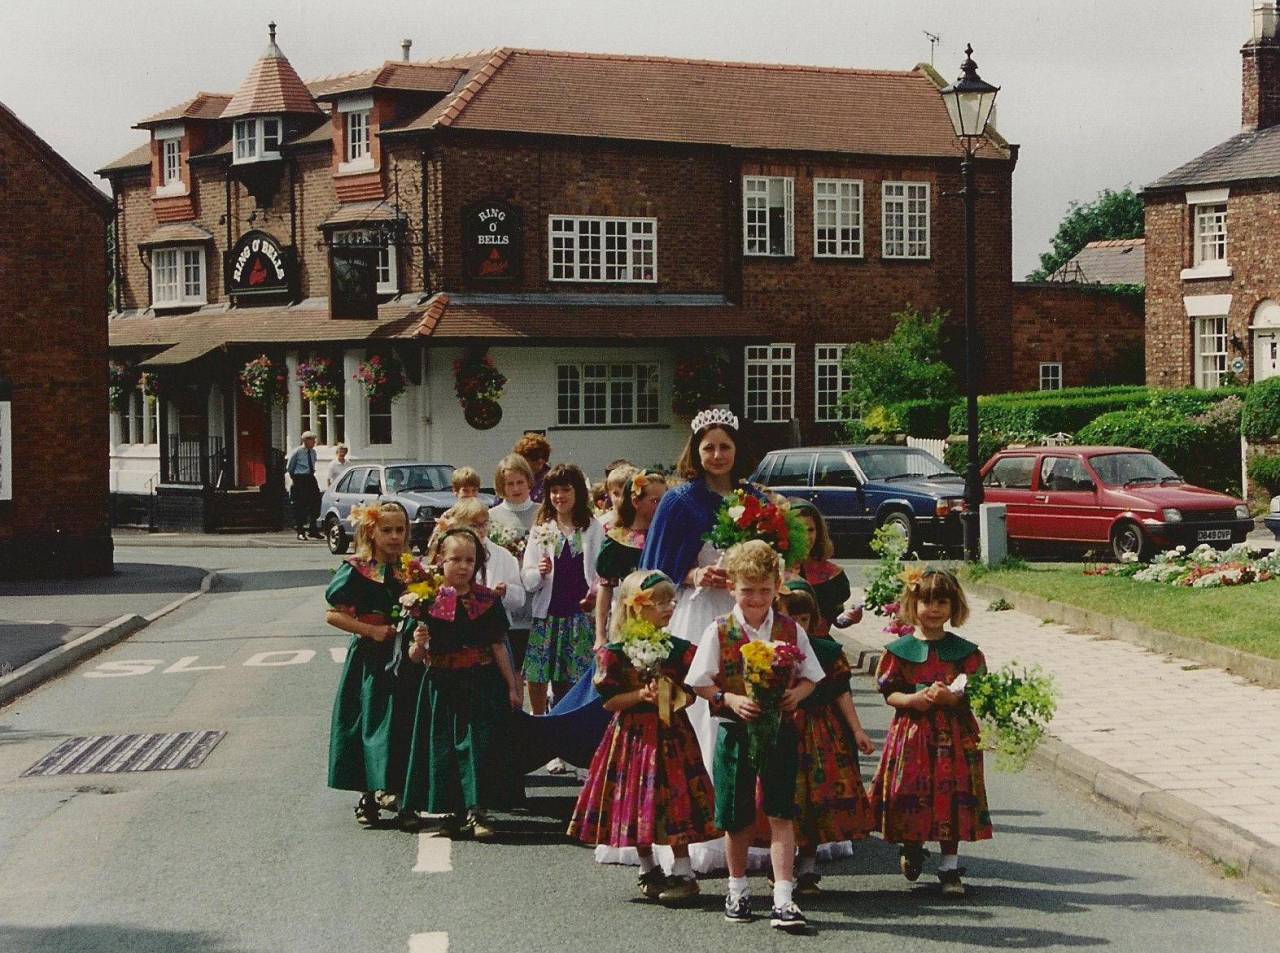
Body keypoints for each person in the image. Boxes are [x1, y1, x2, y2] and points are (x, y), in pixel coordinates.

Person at [687, 540, 827, 931]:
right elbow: (699, 682)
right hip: (735, 730)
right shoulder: (720, 630)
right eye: (747, 590)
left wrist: (796, 694)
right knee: (736, 814)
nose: (756, 598)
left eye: (765, 590)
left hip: (779, 731)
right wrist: (728, 697)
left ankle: (784, 896)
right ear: (732, 587)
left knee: (781, 811)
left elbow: (812, 677)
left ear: (777, 587)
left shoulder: (789, 628)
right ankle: (738, 888)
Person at [568, 571, 717, 904]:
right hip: (633, 737)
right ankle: (647, 867)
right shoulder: (616, 653)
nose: (669, 607)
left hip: (672, 734)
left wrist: (678, 696)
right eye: (659, 601)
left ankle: (684, 871)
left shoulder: (679, 649)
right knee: (637, 799)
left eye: (670, 600)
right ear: (635, 607)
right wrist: (640, 696)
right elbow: (609, 701)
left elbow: (695, 688)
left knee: (676, 798)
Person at [869, 568, 992, 897]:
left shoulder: (965, 651)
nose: (934, 609)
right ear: (912, 604)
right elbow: (889, 691)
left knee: (953, 794)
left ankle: (949, 866)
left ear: (954, 607)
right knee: (912, 792)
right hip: (914, 734)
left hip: (954, 735)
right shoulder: (899, 651)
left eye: (942, 601)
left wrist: (953, 696)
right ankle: (912, 845)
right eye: (926, 601)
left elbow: (977, 689)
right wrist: (913, 699)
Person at [402, 528, 523, 839]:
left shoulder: (486, 600)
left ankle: (477, 809)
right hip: (442, 683)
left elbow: (498, 645)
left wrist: (512, 686)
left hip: (480, 681)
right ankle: (451, 808)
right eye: (455, 559)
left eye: (470, 560)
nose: (463, 566)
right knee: (442, 747)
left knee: (476, 746)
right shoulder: (427, 600)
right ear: (440, 561)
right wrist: (419, 643)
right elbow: (415, 657)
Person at [773, 581, 876, 896]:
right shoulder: (765, 651)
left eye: (804, 619)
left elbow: (841, 692)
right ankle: (781, 867)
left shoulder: (828, 651)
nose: (797, 626)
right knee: (783, 796)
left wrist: (857, 730)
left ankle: (807, 869)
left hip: (819, 732)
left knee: (816, 797)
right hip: (781, 729)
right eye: (790, 619)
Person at [324, 501, 418, 827]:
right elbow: (333, 614)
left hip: (405, 657)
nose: (394, 537)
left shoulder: (410, 569)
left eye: (400, 530)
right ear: (370, 531)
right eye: (387, 530)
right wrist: (371, 630)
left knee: (403, 721)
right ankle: (370, 792)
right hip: (370, 658)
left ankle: (403, 796)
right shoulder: (358, 569)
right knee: (371, 722)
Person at [521, 464, 603, 772]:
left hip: (579, 614)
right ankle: (541, 733)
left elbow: (598, 572)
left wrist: (596, 594)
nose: (559, 496)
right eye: (554, 491)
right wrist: (537, 573)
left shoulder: (591, 527)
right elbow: (528, 576)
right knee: (539, 676)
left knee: (571, 679)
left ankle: (563, 743)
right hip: (548, 613)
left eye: (565, 490)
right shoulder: (543, 527)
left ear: (577, 493)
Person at [594, 470, 667, 648]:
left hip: (667, 618)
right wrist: (600, 635)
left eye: (665, 500)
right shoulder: (618, 541)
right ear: (636, 502)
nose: (662, 506)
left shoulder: (666, 537)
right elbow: (605, 588)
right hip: (629, 618)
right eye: (655, 501)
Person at [490, 453, 539, 676]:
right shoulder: (492, 516)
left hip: (537, 596)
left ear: (529, 481)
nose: (516, 488)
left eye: (520, 482)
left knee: (536, 670)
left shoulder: (542, 512)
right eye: (509, 484)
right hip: (507, 597)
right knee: (512, 667)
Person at [789, 502, 853, 637]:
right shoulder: (772, 570)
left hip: (820, 649)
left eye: (811, 530)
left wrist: (849, 618)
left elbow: (836, 620)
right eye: (799, 530)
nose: (806, 537)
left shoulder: (834, 575)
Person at [287, 431, 322, 540]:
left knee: (315, 503)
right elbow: (290, 468)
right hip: (300, 478)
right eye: (312, 440)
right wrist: (295, 480)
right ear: (305, 440)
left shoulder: (313, 452)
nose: (314, 443)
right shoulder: (297, 452)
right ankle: (300, 531)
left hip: (310, 477)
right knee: (300, 505)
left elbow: (313, 463)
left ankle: (313, 529)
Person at [597, 463, 639, 531]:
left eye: (627, 493)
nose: (621, 499)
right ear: (609, 494)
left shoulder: (645, 524)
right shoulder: (602, 526)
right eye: (616, 494)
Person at [513, 432, 552, 503]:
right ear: (523, 458)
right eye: (535, 456)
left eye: (544, 456)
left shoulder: (552, 479)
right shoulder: (511, 478)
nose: (540, 460)